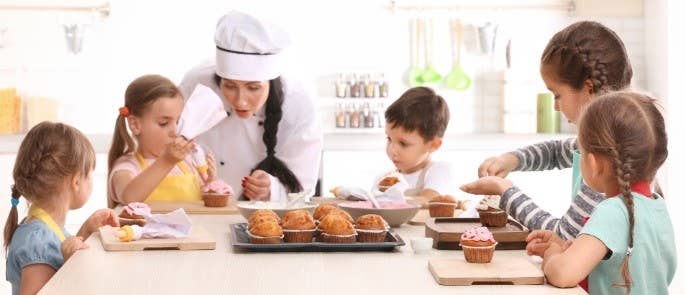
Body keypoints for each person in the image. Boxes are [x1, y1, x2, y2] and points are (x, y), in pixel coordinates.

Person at [526, 92, 675, 294]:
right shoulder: (657, 207)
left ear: (594, 163)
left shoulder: (612, 211)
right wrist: (564, 248)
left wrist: (553, 256)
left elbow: (563, 274)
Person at [5, 122, 119, 295]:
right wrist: (69, 266)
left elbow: (59, 252)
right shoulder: (38, 241)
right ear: (76, 182)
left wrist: (86, 229)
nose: (91, 180)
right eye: (90, 174)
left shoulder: (42, 230)